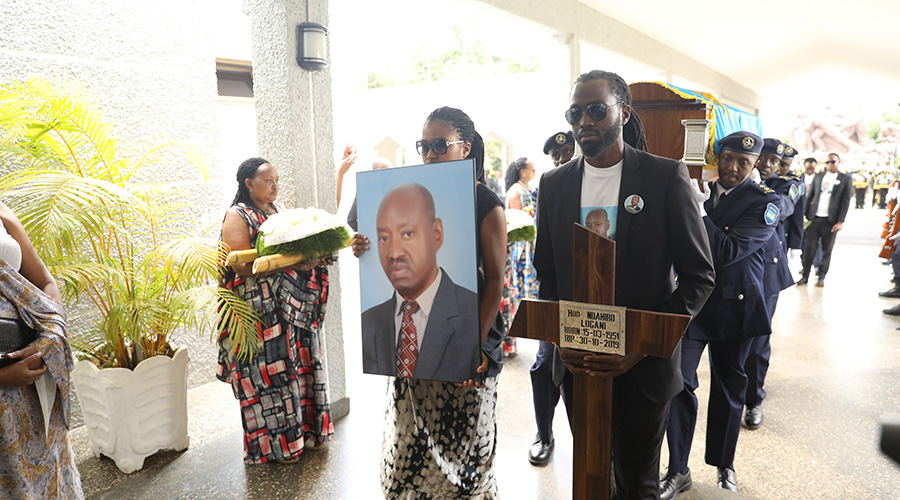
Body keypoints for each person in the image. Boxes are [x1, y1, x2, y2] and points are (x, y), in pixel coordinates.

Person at [533, 69, 715, 498]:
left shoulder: (664, 177)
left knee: (635, 484)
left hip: (641, 367)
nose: (584, 122)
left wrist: (642, 345)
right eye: (575, 112)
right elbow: (549, 274)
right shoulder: (554, 184)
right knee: (593, 474)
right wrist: (563, 342)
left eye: (597, 110)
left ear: (624, 112)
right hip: (579, 365)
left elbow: (698, 276)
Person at [352, 106, 507, 498]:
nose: (430, 154)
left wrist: (473, 344)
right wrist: (364, 248)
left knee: (466, 461)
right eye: (424, 145)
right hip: (413, 355)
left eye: (440, 145)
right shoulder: (408, 195)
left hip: (469, 342)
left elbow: (496, 281)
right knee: (409, 448)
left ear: (465, 148)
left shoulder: (485, 202)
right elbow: (368, 229)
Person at [662, 131, 781, 497]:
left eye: (742, 162)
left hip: (737, 305)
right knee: (678, 384)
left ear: (754, 164)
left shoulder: (766, 202)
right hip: (694, 304)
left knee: (730, 390)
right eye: (727, 159)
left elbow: (728, 251)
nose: (732, 168)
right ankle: (678, 468)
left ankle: (723, 463)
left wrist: (696, 212)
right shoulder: (701, 190)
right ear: (718, 157)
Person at [217, 158, 334, 464]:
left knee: (298, 370)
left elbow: (297, 248)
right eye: (268, 181)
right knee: (268, 379)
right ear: (248, 184)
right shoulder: (237, 215)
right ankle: (278, 448)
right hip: (261, 315)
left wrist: (315, 256)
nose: (275, 186)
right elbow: (241, 265)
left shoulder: (278, 211)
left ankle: (306, 435)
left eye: (276, 180)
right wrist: (295, 261)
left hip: (291, 309)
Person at [0, 203, 84, 499]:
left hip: (32, 385)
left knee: (49, 479)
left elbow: (45, 283)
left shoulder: (1, 211)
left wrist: (50, 336)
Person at [360, 183, 480, 382]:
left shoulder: (475, 315)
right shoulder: (368, 323)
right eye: (383, 238)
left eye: (407, 234)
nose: (394, 253)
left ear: (436, 234)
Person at [743, 139, 798, 431]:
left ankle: (753, 400)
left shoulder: (785, 185)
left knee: (757, 339)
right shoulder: (737, 179)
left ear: (780, 165)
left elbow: (785, 207)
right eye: (761, 158)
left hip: (766, 272)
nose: (765, 164)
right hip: (734, 269)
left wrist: (751, 185)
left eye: (772, 161)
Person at [797, 153, 853, 286]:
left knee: (827, 250)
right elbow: (810, 196)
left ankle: (821, 276)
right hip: (814, 219)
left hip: (831, 221)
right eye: (827, 162)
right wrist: (805, 216)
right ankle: (805, 276)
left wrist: (840, 221)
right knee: (809, 249)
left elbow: (846, 201)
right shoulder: (819, 176)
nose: (829, 164)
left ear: (839, 162)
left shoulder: (845, 179)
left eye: (832, 162)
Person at [503, 157, 539, 357]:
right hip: (522, 243)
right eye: (531, 168)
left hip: (531, 241)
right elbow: (514, 219)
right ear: (522, 171)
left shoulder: (528, 188)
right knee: (521, 283)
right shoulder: (516, 190)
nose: (534, 171)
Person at [343, 149, 393, 232]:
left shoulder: (363, 191)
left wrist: (366, 233)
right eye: (388, 170)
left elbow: (351, 221)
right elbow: (351, 220)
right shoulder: (394, 191)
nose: (391, 174)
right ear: (378, 170)